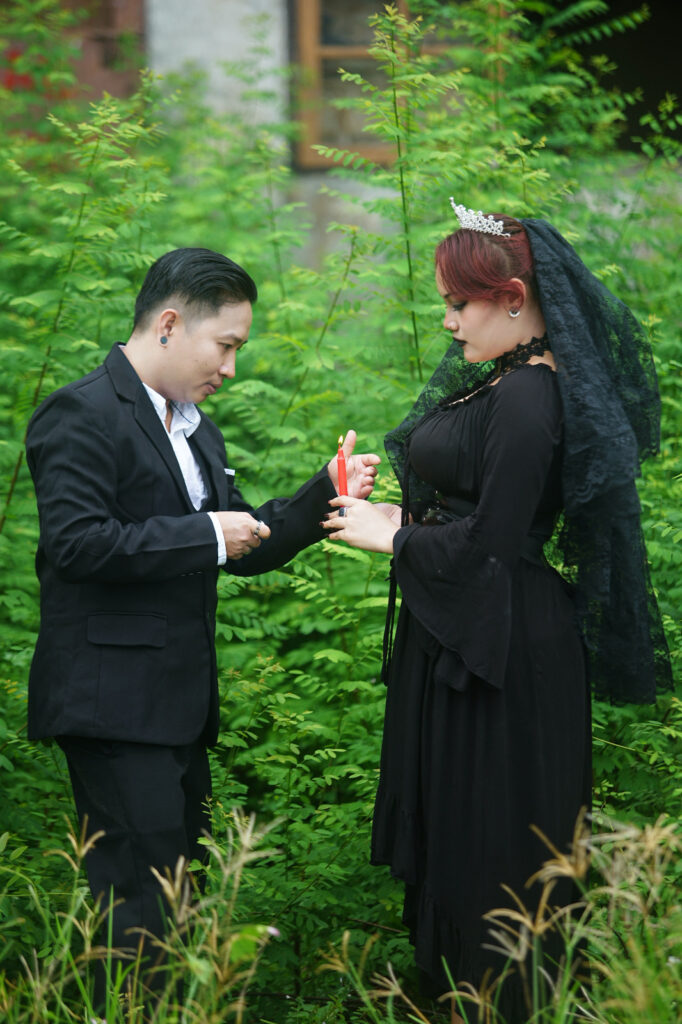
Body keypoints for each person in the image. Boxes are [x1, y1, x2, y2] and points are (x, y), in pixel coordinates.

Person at [323, 205, 671, 1021]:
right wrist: (396, 514)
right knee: (461, 844)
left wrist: (394, 538)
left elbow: (496, 541)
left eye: (459, 304)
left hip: (502, 649)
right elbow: (472, 514)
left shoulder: (528, 396)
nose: (448, 322)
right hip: (468, 629)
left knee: (493, 854)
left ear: (513, 298)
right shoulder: (500, 380)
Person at [25, 247, 379, 1001]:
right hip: (111, 703)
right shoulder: (81, 412)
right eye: (226, 346)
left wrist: (326, 491)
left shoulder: (194, 429)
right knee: (140, 913)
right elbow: (78, 545)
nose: (231, 368)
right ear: (169, 324)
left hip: (177, 708)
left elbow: (241, 544)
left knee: (177, 902)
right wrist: (209, 533)